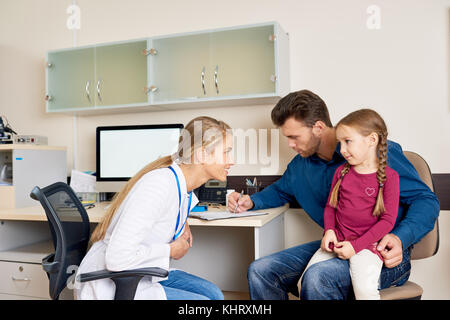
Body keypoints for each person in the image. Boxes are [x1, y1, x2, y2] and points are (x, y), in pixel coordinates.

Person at [227, 90, 440, 300]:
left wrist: (400, 237)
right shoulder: (300, 166)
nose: (290, 145)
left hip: (380, 251)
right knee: (261, 270)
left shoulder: (372, 154)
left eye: (294, 137)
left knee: (318, 277)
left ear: (318, 127)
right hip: (341, 243)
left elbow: (426, 201)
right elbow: (281, 189)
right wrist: (251, 201)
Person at [76, 116, 233, 300]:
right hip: (110, 281)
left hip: (140, 273)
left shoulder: (182, 186)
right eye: (226, 152)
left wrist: (183, 222)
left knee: (214, 294)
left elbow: (166, 213)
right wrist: (170, 250)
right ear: (201, 155)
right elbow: (117, 258)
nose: (232, 160)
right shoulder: (158, 185)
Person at [299, 109, 399, 300]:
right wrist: (329, 230)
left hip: (367, 247)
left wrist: (356, 246)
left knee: (365, 291)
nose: (342, 149)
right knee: (305, 280)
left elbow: (387, 221)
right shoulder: (341, 172)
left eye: (347, 141)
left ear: (372, 140)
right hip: (337, 242)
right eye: (340, 143)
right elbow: (330, 207)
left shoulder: (390, 177)